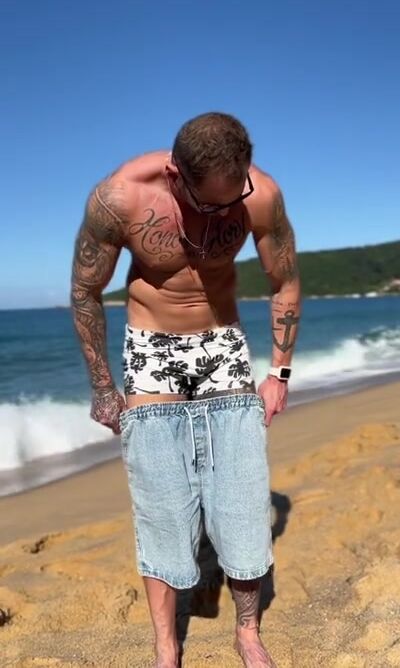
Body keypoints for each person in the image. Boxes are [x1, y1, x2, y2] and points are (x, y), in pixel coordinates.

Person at [71, 112, 301, 668]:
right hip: (152, 346)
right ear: (176, 176)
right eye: (208, 204)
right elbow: (84, 291)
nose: (222, 214)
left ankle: (248, 631)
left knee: (243, 497)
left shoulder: (260, 196)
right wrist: (103, 387)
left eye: (231, 201)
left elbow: (285, 280)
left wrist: (279, 374)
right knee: (162, 505)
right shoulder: (120, 199)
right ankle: (166, 645)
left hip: (222, 341)